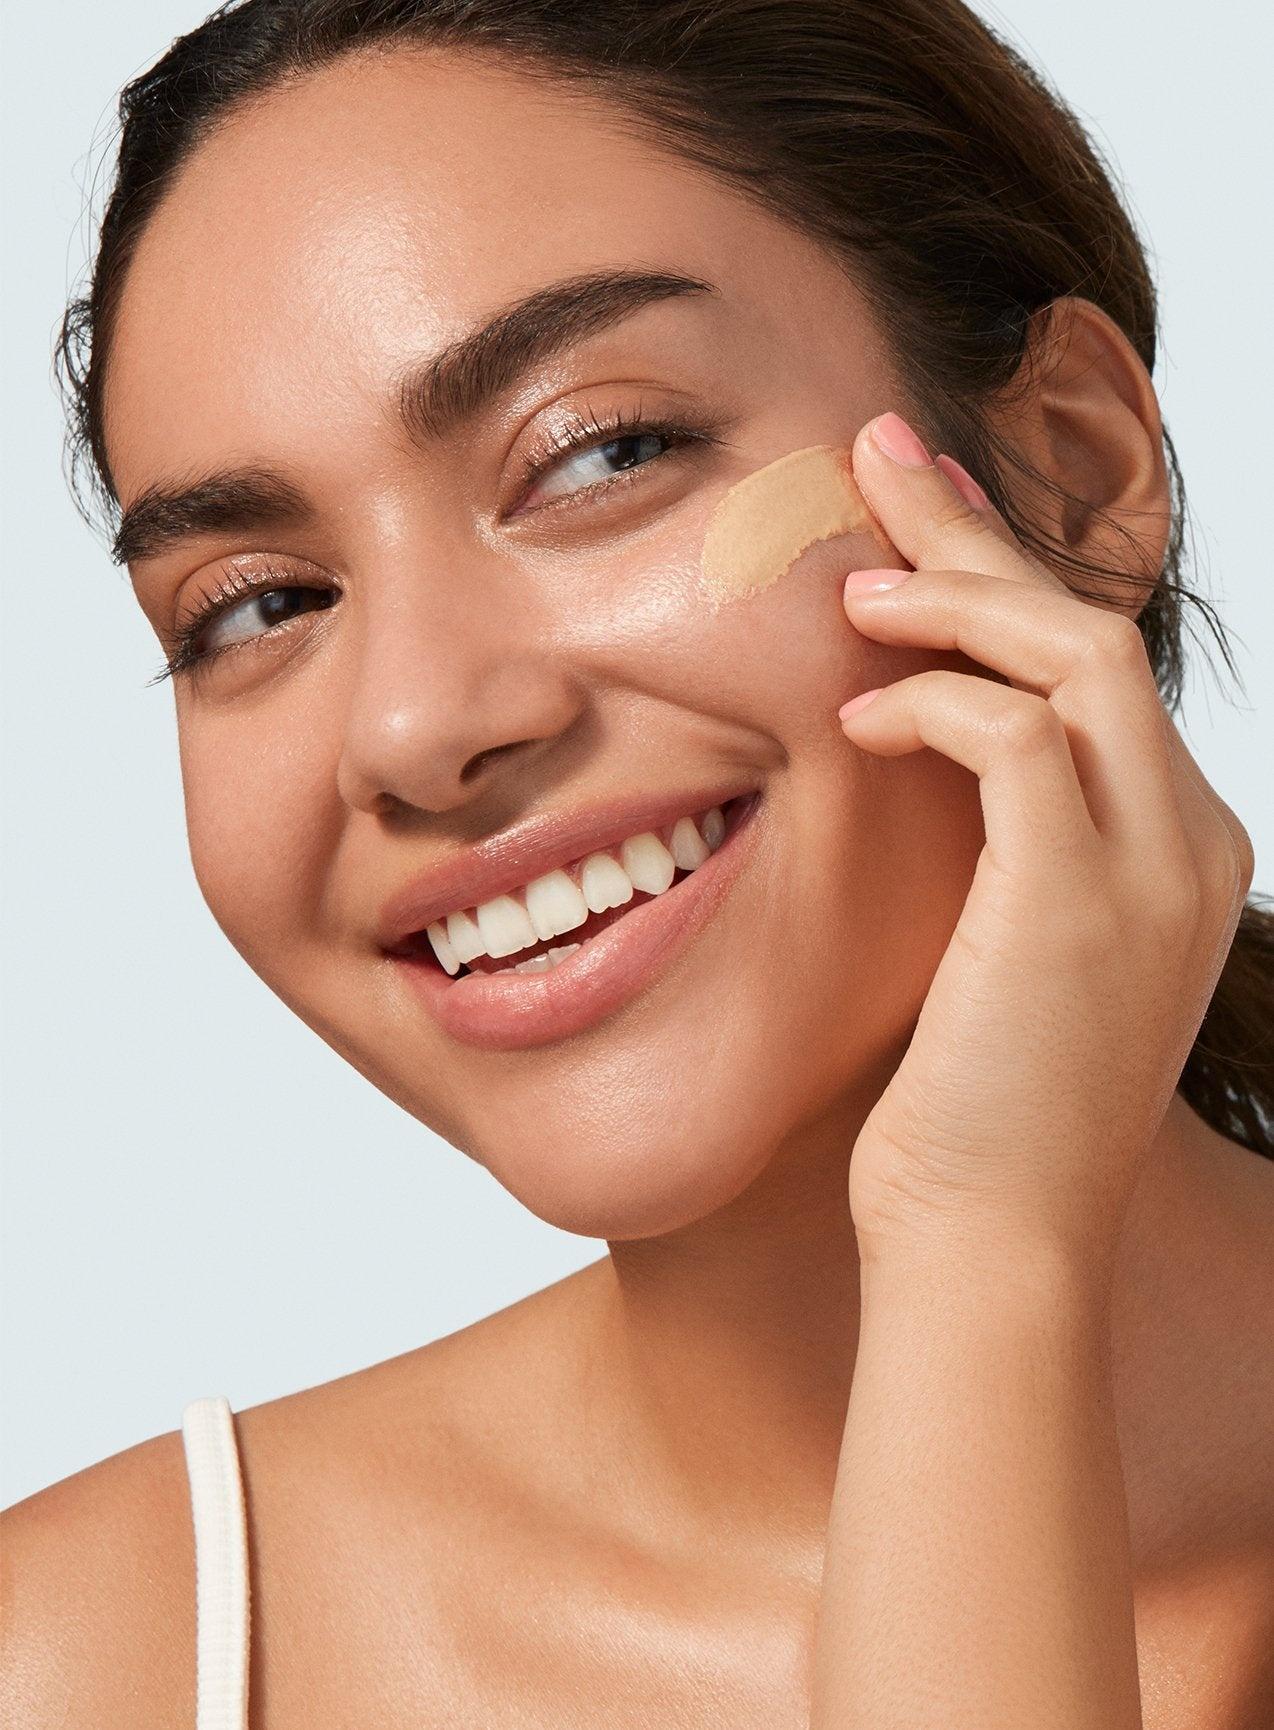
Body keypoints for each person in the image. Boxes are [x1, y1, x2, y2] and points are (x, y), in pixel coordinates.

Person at [4, 2, 1273, 1725]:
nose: (412, 724)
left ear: (1072, 462)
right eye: (260, 604)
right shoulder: (96, 1660)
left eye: (602, 453)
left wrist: (982, 1251)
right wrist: (983, 1250)